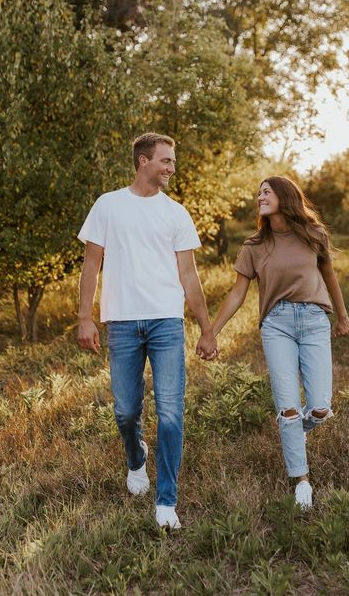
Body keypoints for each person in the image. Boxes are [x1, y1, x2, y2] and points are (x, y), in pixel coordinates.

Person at [77, 132, 217, 529]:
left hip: (166, 322)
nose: (172, 168)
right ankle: (136, 457)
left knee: (171, 413)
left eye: (172, 162)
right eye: (166, 161)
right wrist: (85, 318)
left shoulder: (176, 213)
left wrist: (206, 329)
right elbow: (91, 266)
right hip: (121, 321)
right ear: (143, 161)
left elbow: (189, 276)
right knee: (125, 411)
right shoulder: (108, 205)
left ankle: (166, 501)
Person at [212, 176, 349, 508]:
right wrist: (211, 331)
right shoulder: (254, 246)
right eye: (258, 191)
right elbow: (236, 295)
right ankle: (300, 480)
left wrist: (342, 316)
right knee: (288, 408)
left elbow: (329, 276)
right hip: (277, 325)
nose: (260, 195)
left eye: (267, 191)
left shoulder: (314, 235)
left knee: (320, 408)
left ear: (285, 196)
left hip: (315, 321)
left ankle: (297, 431)